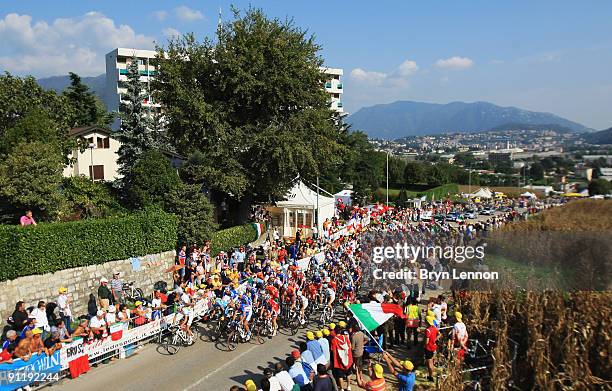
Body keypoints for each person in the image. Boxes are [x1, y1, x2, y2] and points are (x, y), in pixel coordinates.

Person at [424, 315, 438, 382]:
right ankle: (431, 375)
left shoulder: (428, 330)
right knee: (432, 361)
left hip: (428, 348)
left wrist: (424, 346)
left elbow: (426, 341)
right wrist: (434, 340)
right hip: (434, 346)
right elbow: (439, 334)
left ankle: (431, 376)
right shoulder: (434, 328)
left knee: (429, 363)